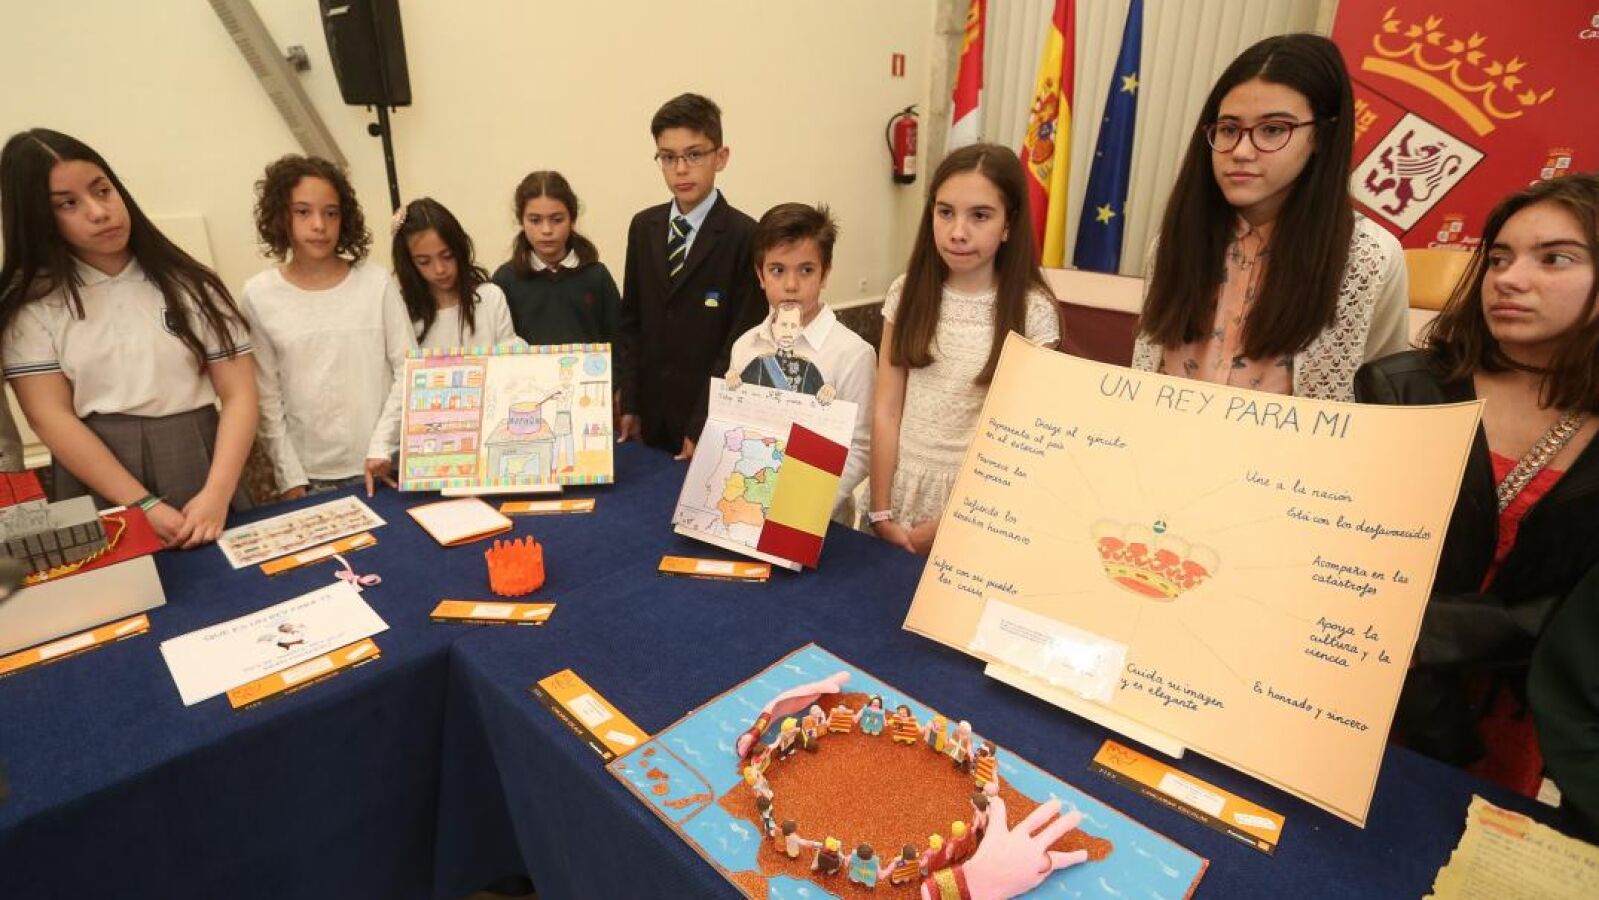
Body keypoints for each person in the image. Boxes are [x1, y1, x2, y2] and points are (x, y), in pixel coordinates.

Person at [1355, 173, 1599, 791]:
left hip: (1526, 703)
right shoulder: (1404, 389)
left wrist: (1439, 631)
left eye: (1555, 259)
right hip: (1378, 680)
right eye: (1499, 259)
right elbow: (1354, 554)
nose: (1510, 279)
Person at [0, 129, 256, 548]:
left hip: (204, 458)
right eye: (68, 203)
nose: (99, 212)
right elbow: (50, 417)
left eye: (102, 190)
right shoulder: (33, 307)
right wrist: (143, 505)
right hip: (99, 470)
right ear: (38, 218)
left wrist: (217, 494)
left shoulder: (191, 284)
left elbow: (240, 392)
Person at [1134, 33, 1408, 400]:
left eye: (1273, 129)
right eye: (1229, 129)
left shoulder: (1369, 257)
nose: (1242, 151)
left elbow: (1382, 397)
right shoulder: (1175, 241)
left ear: (1322, 136)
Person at [869, 143, 1060, 554]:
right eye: (945, 212)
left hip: (977, 503)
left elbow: (1020, 442)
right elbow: (886, 409)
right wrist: (880, 510)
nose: (958, 232)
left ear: (1009, 225)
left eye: (980, 216)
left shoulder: (1033, 313)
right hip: (899, 490)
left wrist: (954, 520)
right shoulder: (905, 293)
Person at [241, 154, 416, 499]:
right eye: (303, 212)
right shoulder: (259, 295)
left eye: (331, 213)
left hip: (385, 467)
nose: (319, 225)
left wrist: (382, 446)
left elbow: (409, 370)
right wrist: (289, 476)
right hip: (310, 476)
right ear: (280, 216)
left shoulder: (376, 282)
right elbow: (267, 396)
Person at [616, 93, 765, 459]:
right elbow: (632, 323)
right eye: (668, 157)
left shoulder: (745, 236)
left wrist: (703, 422)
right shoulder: (644, 227)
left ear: (721, 157)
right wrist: (630, 401)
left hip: (705, 421)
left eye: (694, 155)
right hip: (649, 417)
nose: (681, 169)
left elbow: (739, 345)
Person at [726, 202, 874, 522]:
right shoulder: (745, 347)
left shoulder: (853, 353)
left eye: (806, 270)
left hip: (818, 518)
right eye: (777, 270)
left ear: (825, 274)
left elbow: (861, 448)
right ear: (760, 275)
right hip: (751, 504)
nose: (791, 285)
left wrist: (807, 507)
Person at [491, 171, 619, 346]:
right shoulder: (505, 280)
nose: (547, 230)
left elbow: (619, 341)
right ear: (521, 221)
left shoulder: (597, 276)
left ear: (572, 219)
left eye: (557, 220)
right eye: (535, 220)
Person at [391, 197, 516, 352]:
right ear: (409, 263)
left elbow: (510, 357)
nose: (439, 269)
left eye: (447, 255)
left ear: (460, 249)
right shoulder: (403, 312)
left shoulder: (490, 298)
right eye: (424, 261)